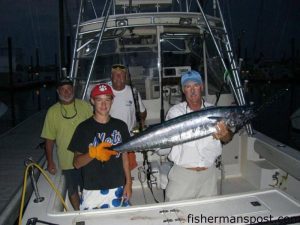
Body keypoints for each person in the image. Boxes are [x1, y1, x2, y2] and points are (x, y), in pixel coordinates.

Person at [165, 70, 233, 202]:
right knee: (175, 215)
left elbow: (228, 138)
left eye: (195, 85)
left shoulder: (214, 111)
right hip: (183, 175)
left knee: (207, 216)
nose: (192, 90)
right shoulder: (175, 112)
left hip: (209, 175)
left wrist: (224, 135)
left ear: (201, 87)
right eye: (187, 86)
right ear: (183, 90)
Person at [68, 83, 132, 210]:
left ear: (112, 101)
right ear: (92, 101)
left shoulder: (121, 126)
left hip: (118, 187)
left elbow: (125, 159)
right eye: (99, 100)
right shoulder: (83, 128)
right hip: (92, 191)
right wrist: (93, 153)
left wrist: (129, 183)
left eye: (107, 100)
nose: (104, 104)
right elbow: (76, 163)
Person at [41, 78, 92, 210]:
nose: (66, 92)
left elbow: (96, 128)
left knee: (89, 187)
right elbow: (49, 140)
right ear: (58, 92)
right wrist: (50, 162)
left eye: (69, 89)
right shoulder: (52, 112)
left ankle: (89, 209)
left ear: (73, 90)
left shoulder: (85, 106)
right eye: (63, 89)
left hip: (87, 157)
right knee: (72, 189)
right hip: (67, 161)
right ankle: (77, 212)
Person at [109, 64, 147, 170]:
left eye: (121, 75)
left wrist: (142, 122)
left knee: (128, 168)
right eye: (116, 75)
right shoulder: (107, 92)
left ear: (125, 77)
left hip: (128, 137)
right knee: (112, 168)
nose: (118, 77)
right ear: (111, 77)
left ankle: (127, 183)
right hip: (110, 138)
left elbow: (142, 111)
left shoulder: (133, 91)